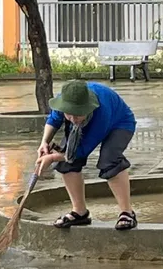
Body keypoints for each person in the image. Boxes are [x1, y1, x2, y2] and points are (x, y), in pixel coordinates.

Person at [36, 80, 138, 230]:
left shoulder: (101, 111)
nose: (72, 119)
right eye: (69, 114)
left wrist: (51, 158)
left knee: (109, 159)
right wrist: (44, 142)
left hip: (120, 123)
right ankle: (80, 212)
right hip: (90, 122)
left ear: (88, 108)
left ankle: (127, 212)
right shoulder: (65, 100)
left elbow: (81, 150)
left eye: (78, 115)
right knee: (66, 164)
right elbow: (54, 119)